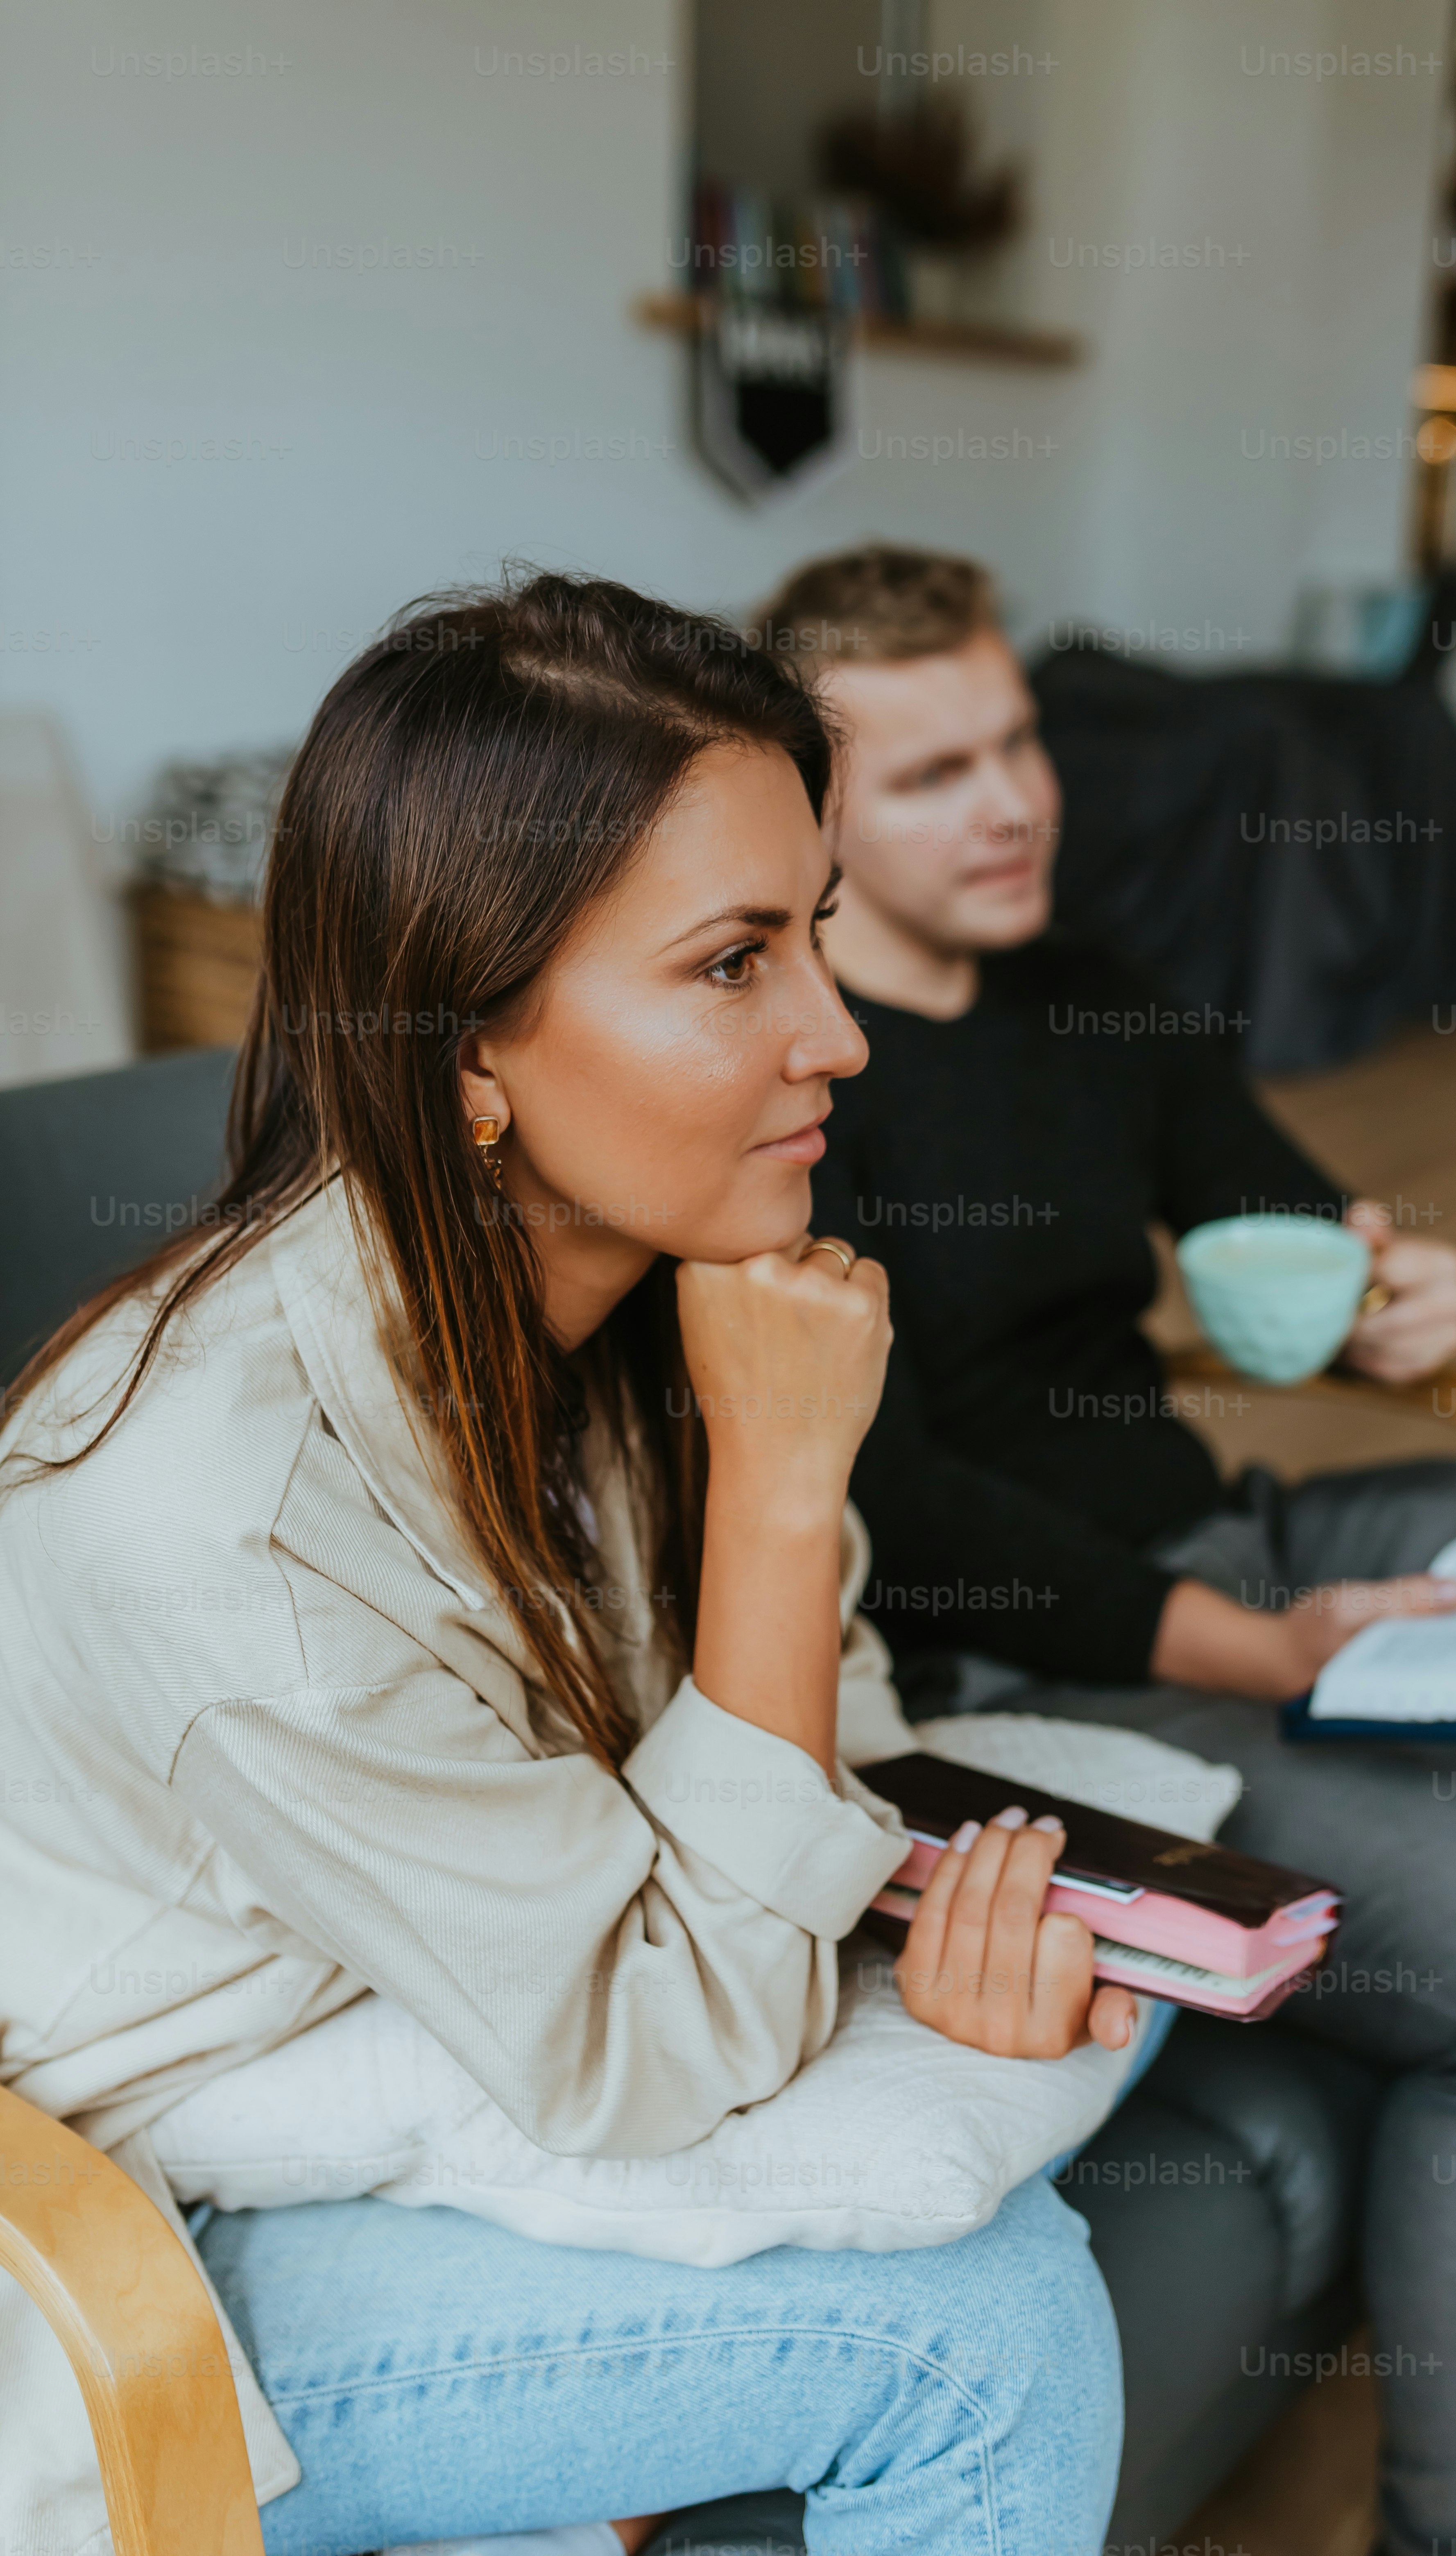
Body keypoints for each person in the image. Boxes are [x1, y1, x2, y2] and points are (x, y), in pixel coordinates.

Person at [0, 572, 1142, 2556]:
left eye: (817, 939)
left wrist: (920, 1934)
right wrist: (783, 1493)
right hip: (121, 2230)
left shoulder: (657, 1300)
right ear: (468, 1053)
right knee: (977, 2344)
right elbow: (666, 2049)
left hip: (448, 2033)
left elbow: (838, 1725)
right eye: (730, 965)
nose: (838, 1038)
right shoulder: (227, 1525)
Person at [765, 540, 1456, 2556]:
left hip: (1229, 1531)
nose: (1012, 797)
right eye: (930, 776)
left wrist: (1388, 1294)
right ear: (805, 819)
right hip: (1017, 1668)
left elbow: (1283, 1213)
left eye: (1014, 739)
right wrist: (1252, 1650)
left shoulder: (1079, 980)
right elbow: (896, 1512)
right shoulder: (792, 1085)